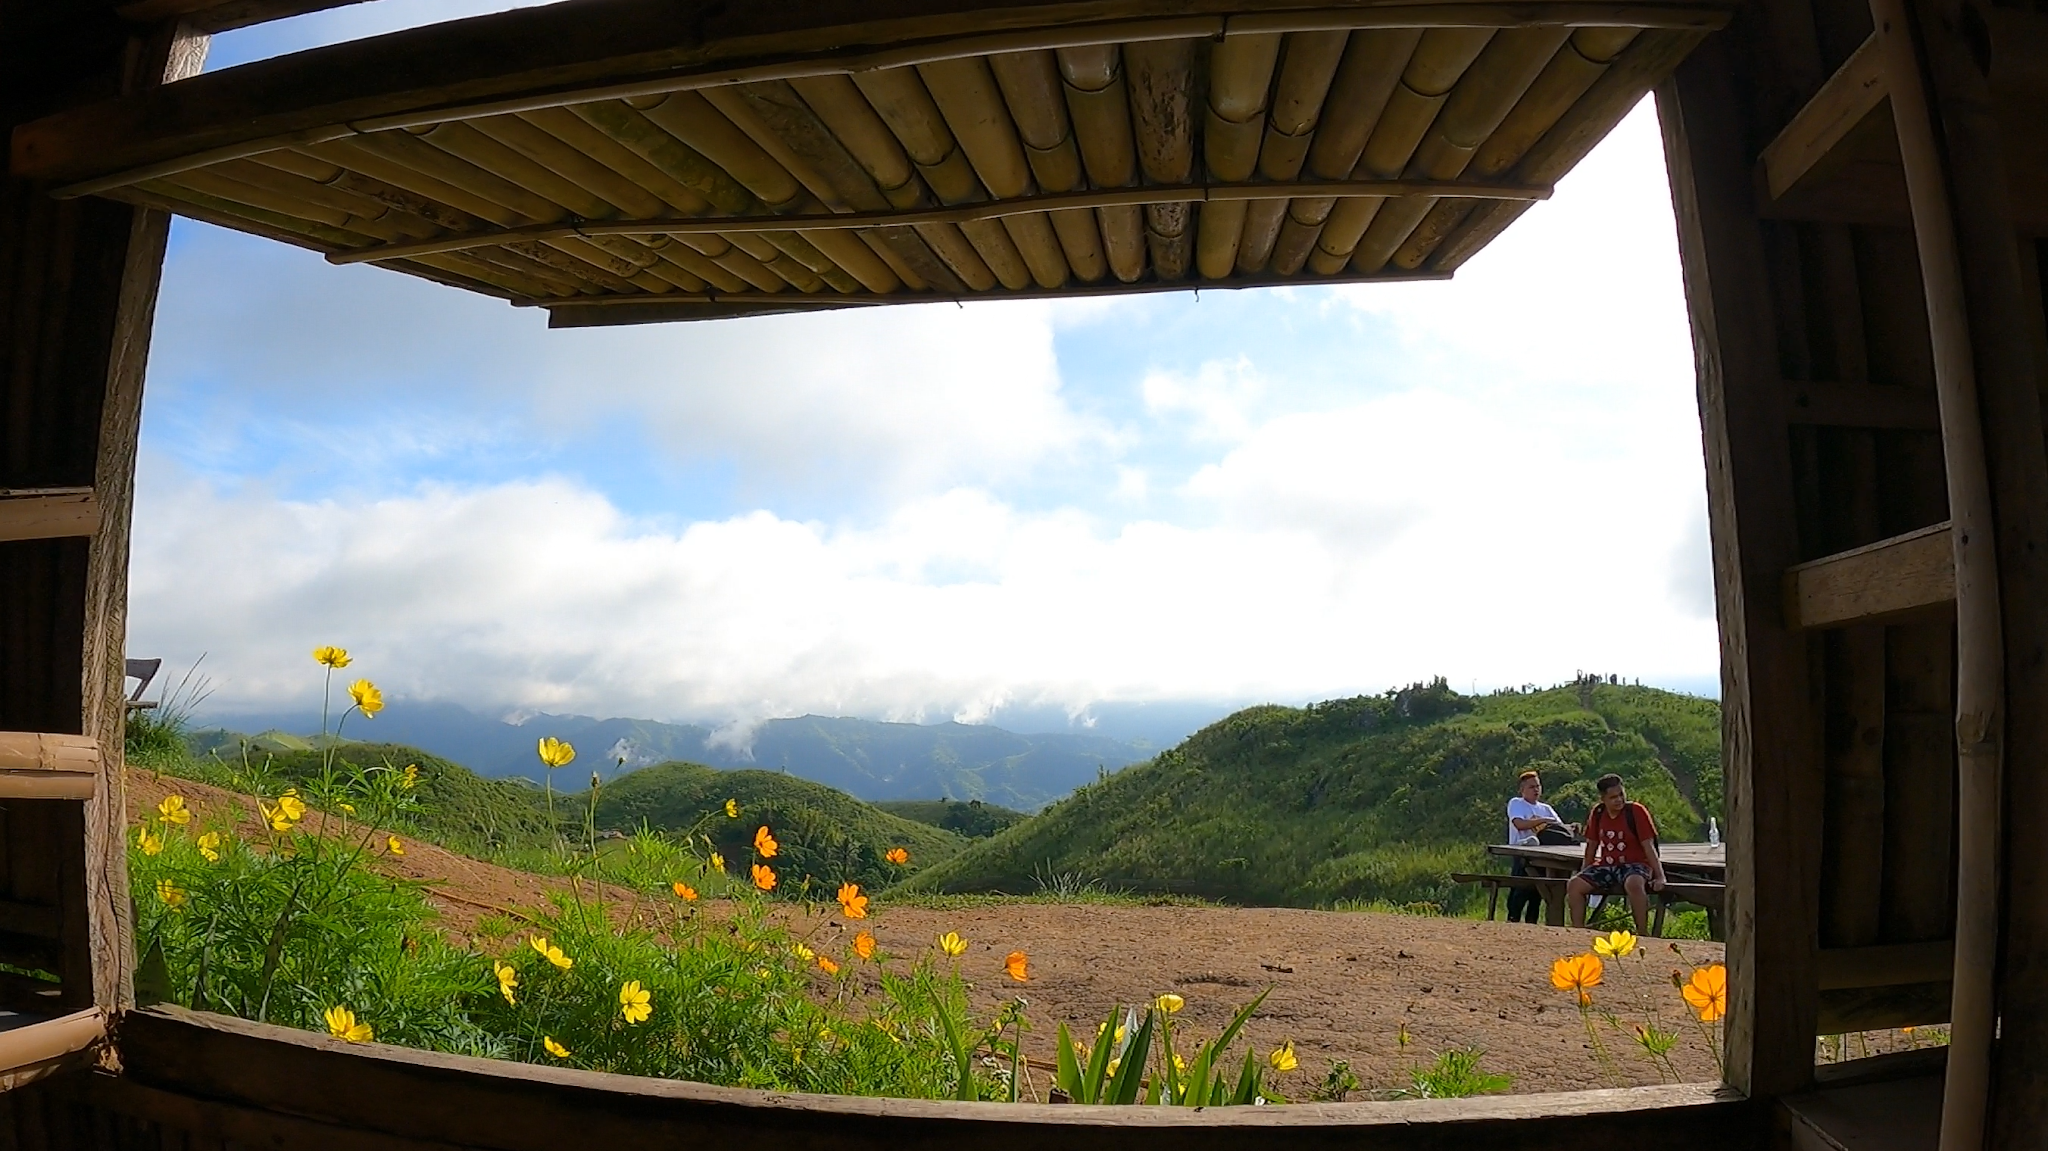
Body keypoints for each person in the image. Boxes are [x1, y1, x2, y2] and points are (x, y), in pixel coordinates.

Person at [1568, 773, 1668, 933]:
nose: (1619, 800)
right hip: (1607, 864)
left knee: (1634, 883)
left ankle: (1642, 933)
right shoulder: (1598, 813)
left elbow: (1649, 845)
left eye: (1621, 794)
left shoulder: (1635, 811)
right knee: (1574, 885)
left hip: (1636, 864)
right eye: (1613, 797)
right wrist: (1584, 872)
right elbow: (1591, 846)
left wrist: (1660, 876)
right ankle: (1578, 931)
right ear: (1603, 799)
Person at [1504, 771, 1566, 923]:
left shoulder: (1546, 808)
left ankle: (1532, 924)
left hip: (1543, 855)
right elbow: (1519, 824)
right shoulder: (1516, 803)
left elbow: (1559, 827)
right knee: (1519, 892)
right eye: (1531, 787)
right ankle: (1513, 921)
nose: (1536, 790)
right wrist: (1542, 821)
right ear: (1522, 789)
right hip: (1523, 853)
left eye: (1538, 786)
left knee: (1537, 894)